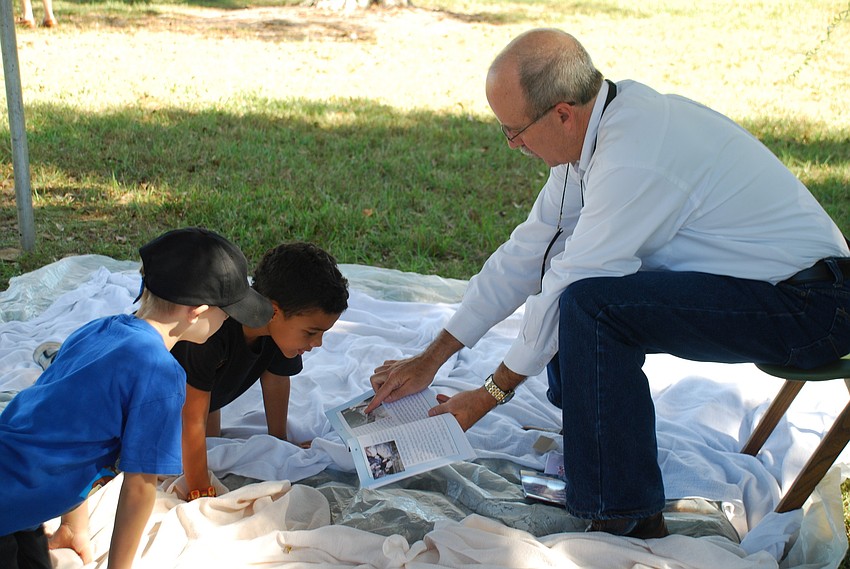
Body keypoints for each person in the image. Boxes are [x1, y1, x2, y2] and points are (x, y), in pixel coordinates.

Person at [366, 28, 850, 539]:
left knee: (591, 305)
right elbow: (527, 254)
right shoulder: (598, 132)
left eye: (515, 131)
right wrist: (432, 358)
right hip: (785, 291)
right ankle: (592, 454)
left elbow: (574, 280)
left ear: (562, 113)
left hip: (815, 309)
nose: (514, 146)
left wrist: (487, 395)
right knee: (574, 291)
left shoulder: (634, 154)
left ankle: (625, 511)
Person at [0, 227, 273, 569]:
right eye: (228, 315)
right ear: (199, 312)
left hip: (18, 494)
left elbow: (68, 428)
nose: (228, 324)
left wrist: (72, 526)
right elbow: (140, 488)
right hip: (13, 504)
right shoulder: (161, 374)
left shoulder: (99, 329)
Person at [171, 242, 349, 500]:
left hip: (201, 401)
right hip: (148, 411)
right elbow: (191, 417)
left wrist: (280, 443)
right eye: (311, 333)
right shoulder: (209, 332)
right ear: (275, 311)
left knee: (213, 447)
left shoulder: (275, 334)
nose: (317, 343)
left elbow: (276, 380)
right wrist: (200, 488)